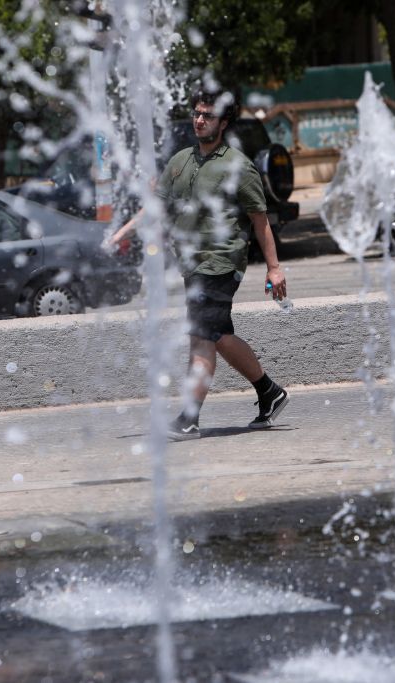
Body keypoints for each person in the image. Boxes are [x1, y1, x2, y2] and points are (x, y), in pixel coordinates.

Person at [106, 89, 289, 441]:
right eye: (196, 113)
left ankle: (189, 418)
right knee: (217, 335)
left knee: (202, 337)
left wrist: (274, 267)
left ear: (223, 122)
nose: (199, 119)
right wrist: (122, 233)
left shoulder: (238, 166)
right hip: (192, 264)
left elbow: (260, 219)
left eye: (207, 115)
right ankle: (269, 392)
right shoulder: (180, 161)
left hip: (222, 260)